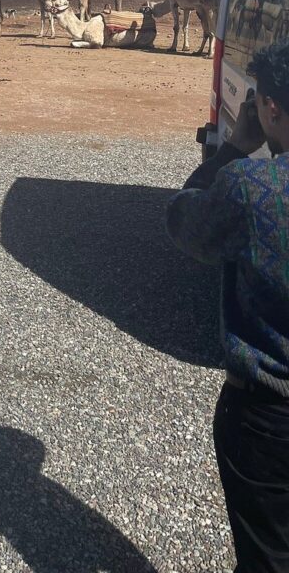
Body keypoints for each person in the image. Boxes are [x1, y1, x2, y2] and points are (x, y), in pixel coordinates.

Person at [167, 40, 289, 572]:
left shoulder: (251, 187)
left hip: (269, 418)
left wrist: (232, 150)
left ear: (270, 109)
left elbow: (184, 224)